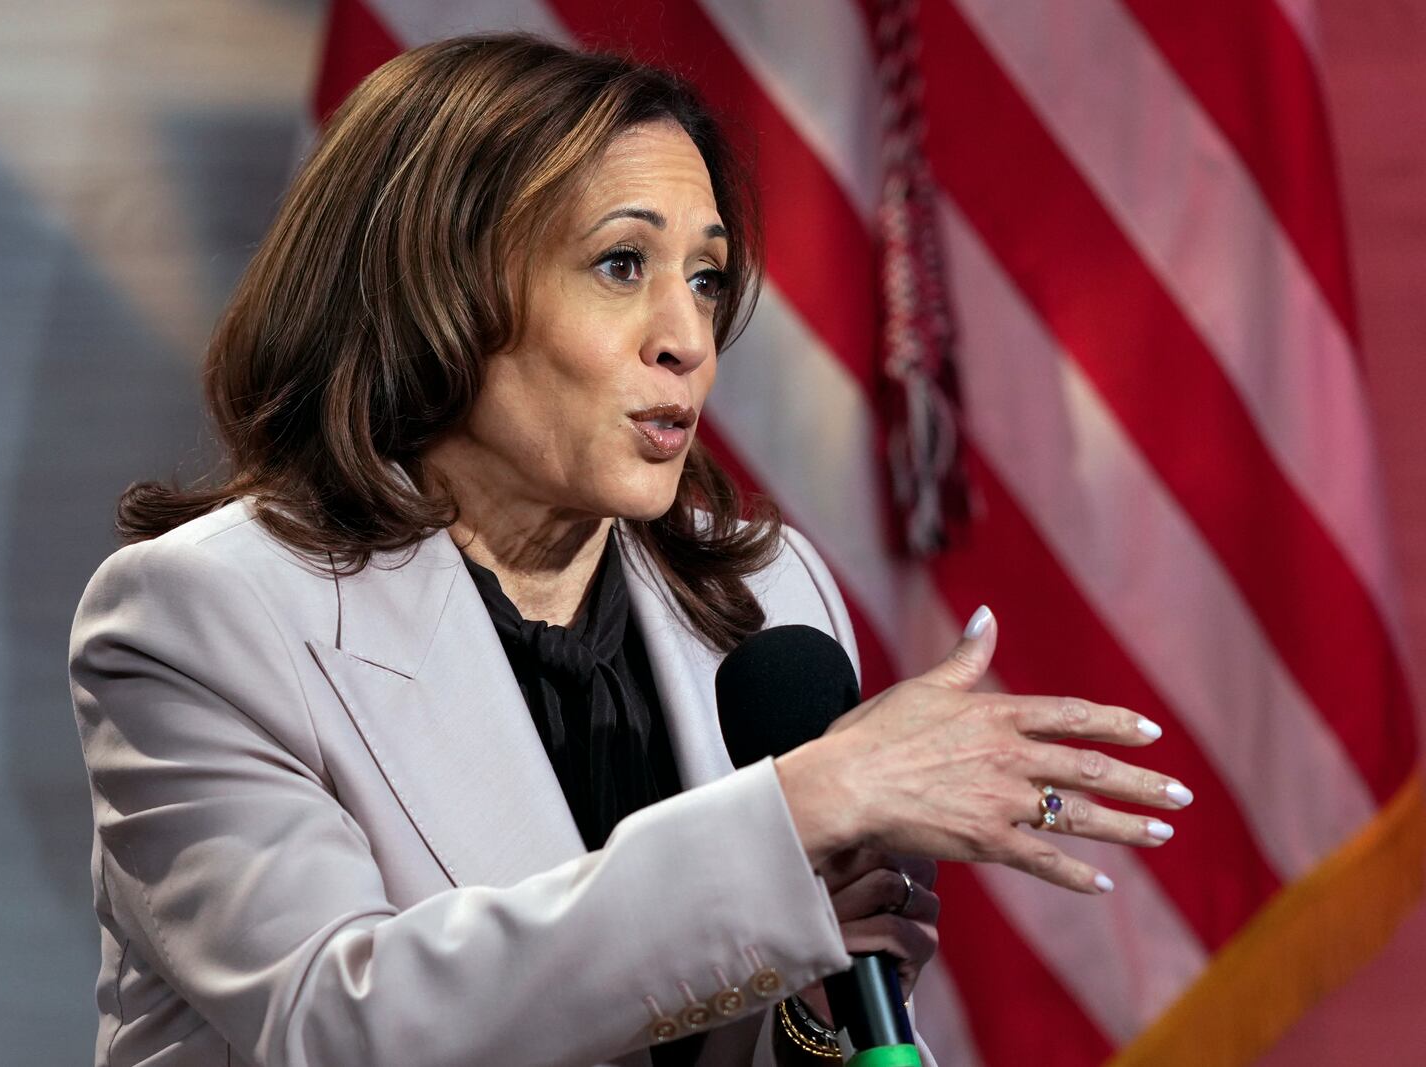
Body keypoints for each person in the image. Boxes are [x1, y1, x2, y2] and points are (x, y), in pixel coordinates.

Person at [68, 33, 1187, 1067]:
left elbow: (764, 1016)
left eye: (704, 277)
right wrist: (800, 807)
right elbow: (339, 1020)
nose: (688, 338)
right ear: (433, 291)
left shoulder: (762, 593)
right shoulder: (201, 615)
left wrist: (817, 1000)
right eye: (620, 266)